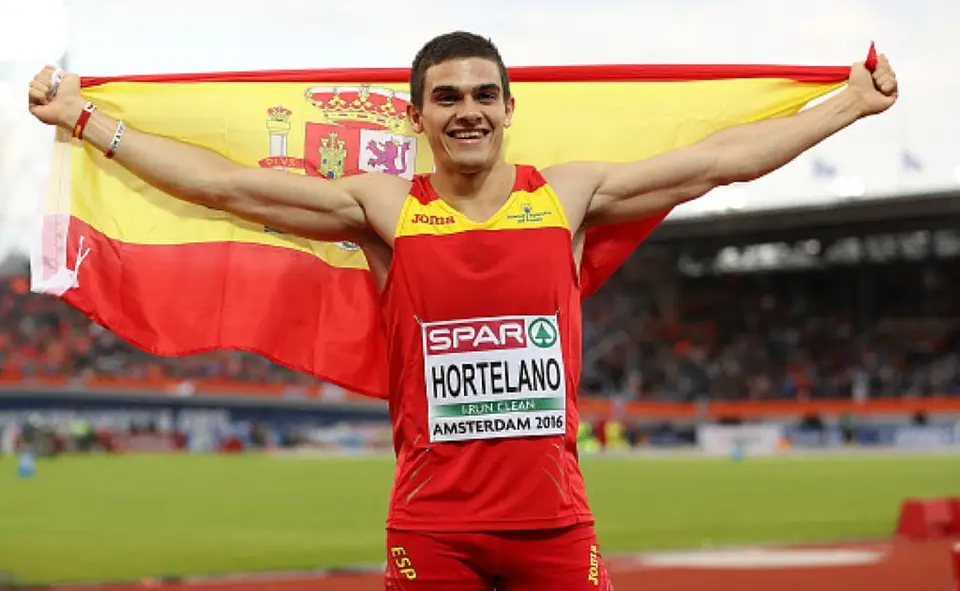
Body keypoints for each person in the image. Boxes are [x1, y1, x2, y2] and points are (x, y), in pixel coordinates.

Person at [27, 31, 899, 589]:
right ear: (417, 117)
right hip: (433, 526)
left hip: (555, 525)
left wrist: (850, 104)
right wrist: (85, 119)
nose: (468, 111)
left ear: (511, 109)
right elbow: (222, 186)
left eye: (484, 95)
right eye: (447, 97)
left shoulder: (566, 197)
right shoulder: (383, 207)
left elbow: (722, 161)